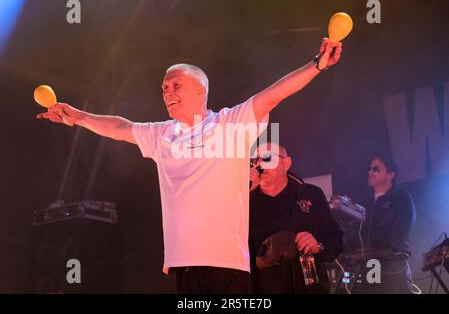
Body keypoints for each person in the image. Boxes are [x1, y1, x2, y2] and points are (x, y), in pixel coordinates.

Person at [36, 38, 343, 293]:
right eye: (164, 89)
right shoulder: (162, 134)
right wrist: (77, 117)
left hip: (225, 266)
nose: (167, 92)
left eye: (175, 85)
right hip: (181, 266)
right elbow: (120, 127)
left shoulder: (228, 125)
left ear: (200, 89)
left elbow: (274, 95)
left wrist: (317, 64)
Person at [249, 143, 343, 293]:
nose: (259, 164)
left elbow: (335, 239)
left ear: (286, 163)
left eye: (266, 158)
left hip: (307, 288)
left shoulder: (310, 194)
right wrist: (244, 196)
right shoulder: (245, 201)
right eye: (255, 160)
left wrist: (317, 245)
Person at [348, 156, 416, 294]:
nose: (370, 172)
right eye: (369, 169)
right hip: (368, 263)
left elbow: (403, 227)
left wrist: (386, 247)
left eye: (376, 169)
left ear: (391, 174)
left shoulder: (401, 197)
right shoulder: (364, 201)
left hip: (392, 262)